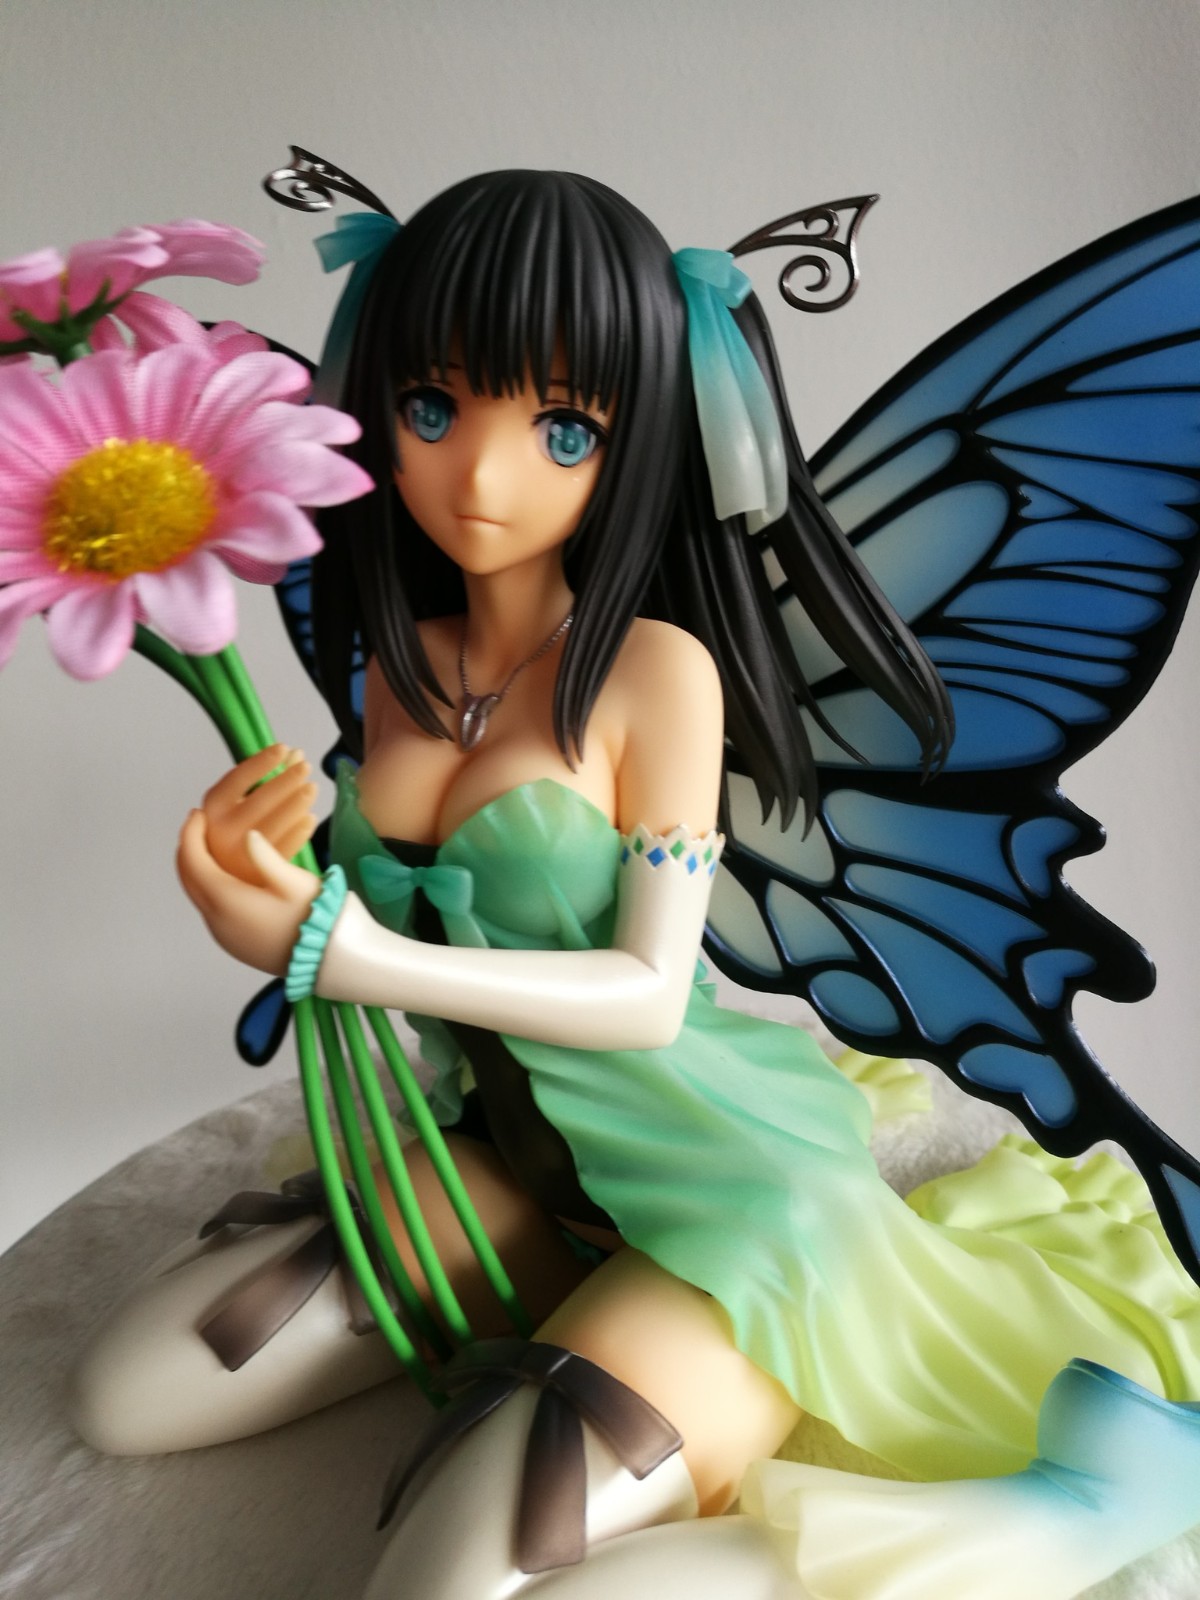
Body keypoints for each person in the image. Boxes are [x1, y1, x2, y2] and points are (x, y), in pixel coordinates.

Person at [71, 169, 1200, 1599]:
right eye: (433, 409)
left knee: (439, 1584)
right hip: (505, 1162)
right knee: (122, 1394)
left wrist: (333, 950)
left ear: (646, 437)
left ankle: (1038, 1519)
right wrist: (259, 873)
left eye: (562, 429)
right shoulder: (402, 669)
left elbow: (649, 991)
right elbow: (376, 905)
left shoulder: (655, 675)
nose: (483, 478)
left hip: (724, 1195)